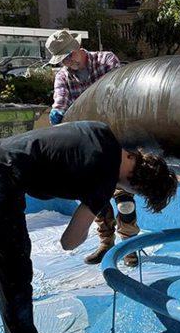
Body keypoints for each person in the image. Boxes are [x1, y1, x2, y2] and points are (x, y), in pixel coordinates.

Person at [0, 121, 178, 333]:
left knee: (19, 261)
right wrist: (89, 213)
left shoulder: (103, 133)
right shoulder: (104, 180)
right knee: (13, 271)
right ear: (135, 185)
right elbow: (68, 242)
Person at [46, 28, 139, 268]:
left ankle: (128, 246)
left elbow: (120, 91)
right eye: (63, 59)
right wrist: (57, 115)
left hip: (117, 139)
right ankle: (105, 244)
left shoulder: (106, 60)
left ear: (79, 47)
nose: (68, 62)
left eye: (70, 55)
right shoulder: (63, 76)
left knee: (124, 198)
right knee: (93, 198)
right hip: (87, 146)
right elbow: (60, 101)